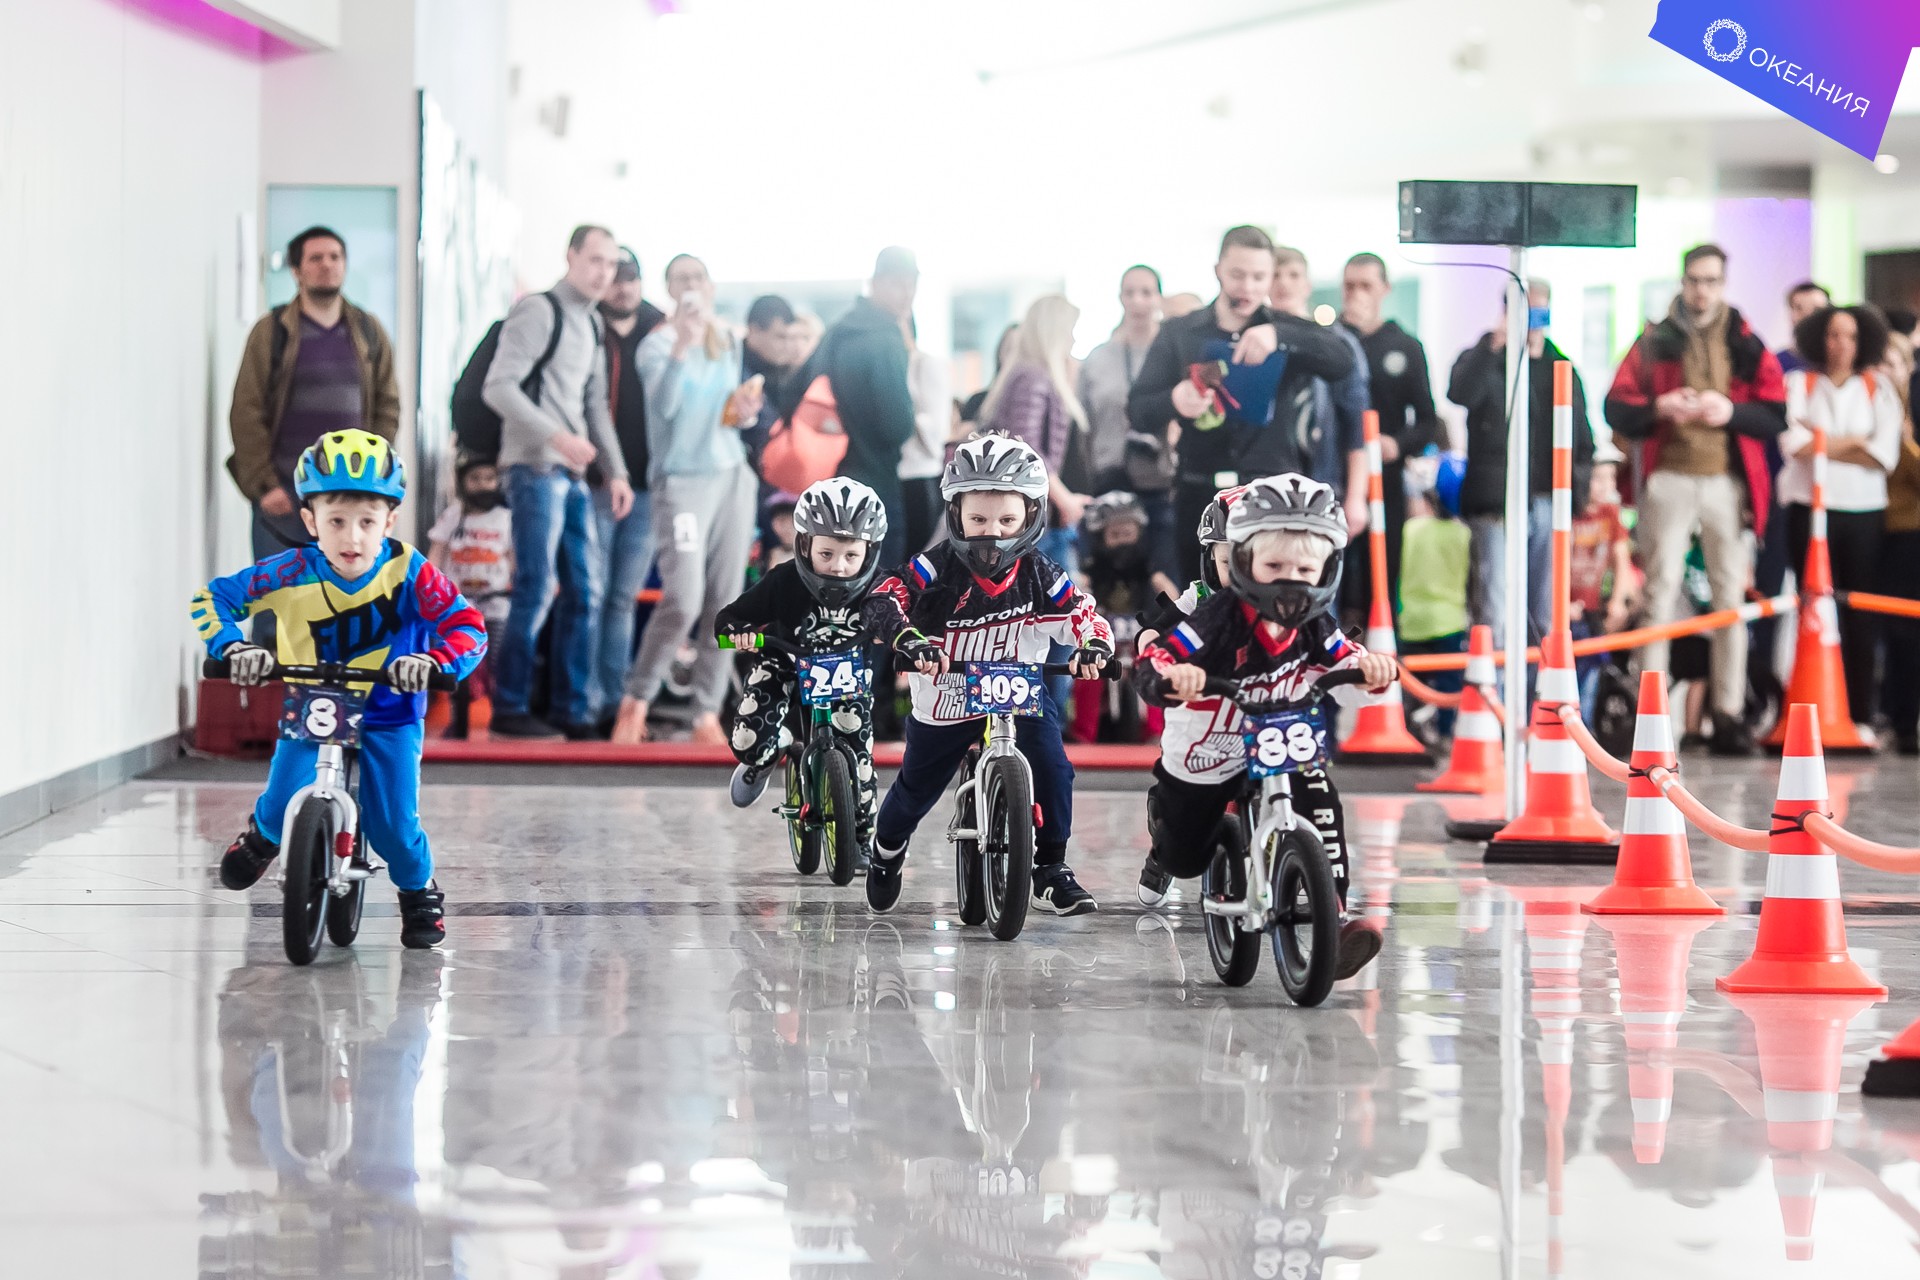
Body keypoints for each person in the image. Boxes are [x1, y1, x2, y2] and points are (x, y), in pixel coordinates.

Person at [195, 429, 487, 949]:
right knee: (281, 800)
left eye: (367, 522)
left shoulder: (409, 572)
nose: (352, 538)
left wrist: (434, 660)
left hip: (389, 711)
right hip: (314, 704)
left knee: (394, 825)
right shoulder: (290, 571)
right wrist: (233, 647)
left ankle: (417, 890)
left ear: (389, 522)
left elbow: (467, 626)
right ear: (310, 521)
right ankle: (264, 835)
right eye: (336, 522)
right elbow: (212, 599)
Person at [1132, 473, 1395, 979]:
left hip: (1280, 739)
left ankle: (1335, 916)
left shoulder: (1313, 622)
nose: (1288, 582)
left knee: (1320, 798)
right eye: (1273, 566)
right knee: (1184, 857)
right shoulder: (1217, 617)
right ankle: (1172, 822)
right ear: (1244, 560)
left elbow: (1343, 657)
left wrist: (1370, 670)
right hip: (1208, 750)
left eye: (1304, 569)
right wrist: (1169, 676)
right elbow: (1160, 654)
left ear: (1326, 569)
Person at [859, 436, 1114, 917]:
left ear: (1031, 516)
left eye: (1006, 521)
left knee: (1054, 768)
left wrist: (1094, 646)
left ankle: (1051, 868)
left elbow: (1082, 612)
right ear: (955, 514)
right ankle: (886, 850)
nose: (991, 535)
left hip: (1019, 693)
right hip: (947, 697)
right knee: (916, 789)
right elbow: (884, 596)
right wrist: (908, 639)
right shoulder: (935, 567)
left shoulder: (1040, 572)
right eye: (977, 520)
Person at [1605, 243, 1786, 757]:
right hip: (1668, 477)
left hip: (1726, 482)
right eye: (1694, 280)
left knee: (1730, 599)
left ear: (1722, 284)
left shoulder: (1744, 341)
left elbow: (1775, 413)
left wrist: (1729, 411)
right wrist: (1659, 407)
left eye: (1710, 281)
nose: (1701, 290)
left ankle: (1727, 715)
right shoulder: (1654, 340)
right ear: (1683, 282)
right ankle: (1652, 716)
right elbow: (1615, 406)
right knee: (1659, 595)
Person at [1128, 225, 1357, 589]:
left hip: (1272, 493)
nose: (1247, 287)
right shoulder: (1180, 332)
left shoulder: (1287, 328)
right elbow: (1137, 410)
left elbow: (1343, 362)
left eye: (1259, 277)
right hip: (1199, 491)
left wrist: (1280, 335)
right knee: (1201, 601)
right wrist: (1175, 399)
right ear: (1218, 270)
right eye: (1237, 275)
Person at [482, 224, 634, 739]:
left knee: (585, 593)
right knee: (537, 587)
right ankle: (509, 707)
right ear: (571, 256)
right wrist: (556, 437)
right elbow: (498, 388)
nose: (603, 272)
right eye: (595, 260)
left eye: (611, 264)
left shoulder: (590, 324)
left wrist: (616, 471)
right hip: (533, 468)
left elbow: (594, 407)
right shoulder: (539, 310)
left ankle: (572, 710)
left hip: (571, 475)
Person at [612, 254, 763, 745]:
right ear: (671, 290)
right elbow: (666, 407)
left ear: (711, 286)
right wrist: (682, 343)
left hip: (731, 476)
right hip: (681, 483)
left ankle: (706, 711)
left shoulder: (726, 340)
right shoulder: (657, 345)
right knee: (683, 598)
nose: (692, 286)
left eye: (698, 277)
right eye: (682, 279)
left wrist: (743, 411)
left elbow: (726, 416)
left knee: (727, 600)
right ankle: (637, 697)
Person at [228, 226, 402, 620]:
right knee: (277, 611)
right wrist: (264, 485)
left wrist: (375, 475)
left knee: (346, 613)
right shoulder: (272, 332)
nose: (327, 265)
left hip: (349, 499)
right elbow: (246, 410)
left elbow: (388, 406)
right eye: (316, 258)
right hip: (283, 500)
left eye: (335, 257)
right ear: (296, 270)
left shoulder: (368, 332)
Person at [717, 478, 891, 859]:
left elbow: (906, 619)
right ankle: (771, 750)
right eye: (826, 553)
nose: (838, 566)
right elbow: (729, 617)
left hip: (845, 675)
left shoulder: (879, 588)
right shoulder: (785, 581)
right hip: (783, 662)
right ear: (805, 545)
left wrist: (900, 636)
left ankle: (862, 837)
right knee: (747, 741)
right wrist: (738, 633)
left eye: (851, 556)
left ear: (869, 552)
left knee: (861, 764)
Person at [1779, 303, 1903, 741]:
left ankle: (1860, 713)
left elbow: (1882, 454)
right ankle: (1803, 709)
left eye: (1850, 336)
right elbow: (1793, 444)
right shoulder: (1799, 383)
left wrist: (1822, 441)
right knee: (1810, 607)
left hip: (1863, 512)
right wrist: (1853, 442)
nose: (1841, 345)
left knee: (1859, 614)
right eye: (1833, 335)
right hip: (1808, 509)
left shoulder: (1877, 388)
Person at [1449, 280, 1596, 647]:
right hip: (1496, 502)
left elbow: (1583, 439)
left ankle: (1540, 681)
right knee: (1495, 606)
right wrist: (1494, 344)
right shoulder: (1487, 359)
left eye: (1538, 310)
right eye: (1523, 310)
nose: (1531, 319)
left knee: (1544, 609)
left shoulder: (1562, 367)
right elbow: (1460, 394)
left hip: (1547, 500)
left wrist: (1575, 496)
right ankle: (1495, 680)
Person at [795, 247, 920, 566]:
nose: (907, 293)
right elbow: (897, 426)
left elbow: (795, 390)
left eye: (912, 284)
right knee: (879, 581)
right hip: (875, 482)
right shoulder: (885, 337)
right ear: (875, 283)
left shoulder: (839, 330)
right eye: (897, 283)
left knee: (834, 576)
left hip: (826, 480)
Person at [585, 246, 666, 734]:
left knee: (621, 597)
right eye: (614, 276)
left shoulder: (661, 330)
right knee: (590, 595)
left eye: (630, 277)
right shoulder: (585, 324)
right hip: (594, 483)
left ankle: (615, 702)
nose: (622, 287)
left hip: (648, 488)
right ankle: (587, 700)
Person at [1340, 251, 1443, 607]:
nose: (1357, 294)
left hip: (1384, 480)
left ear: (1385, 289)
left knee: (1381, 576)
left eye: (1365, 286)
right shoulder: (1331, 342)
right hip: (1335, 475)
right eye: (1350, 286)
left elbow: (1428, 420)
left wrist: (1396, 444)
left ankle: (1381, 638)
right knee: (1335, 577)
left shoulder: (1405, 346)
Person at [1080, 265, 1180, 599]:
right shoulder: (1098, 360)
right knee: (1112, 587)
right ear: (1120, 297)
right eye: (1130, 292)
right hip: (1110, 478)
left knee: (1164, 582)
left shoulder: (1174, 355)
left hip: (1161, 480)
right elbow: (1085, 427)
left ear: (1159, 297)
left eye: (1146, 292)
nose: (1138, 301)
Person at [981, 294, 1095, 561]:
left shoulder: (1029, 374)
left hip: (1032, 514)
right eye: (1069, 331)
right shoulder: (1033, 378)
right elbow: (1026, 448)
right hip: (1028, 517)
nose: (1073, 340)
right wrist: (1064, 499)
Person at [1270, 246, 1369, 536]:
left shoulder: (1337, 344)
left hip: (1322, 481)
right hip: (1266, 484)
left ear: (1307, 284)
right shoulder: (1253, 338)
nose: (1284, 283)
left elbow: (1356, 424)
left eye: (1293, 275)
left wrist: (1356, 497)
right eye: (1275, 275)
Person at [427, 454, 513, 736]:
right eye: (475, 479)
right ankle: (458, 717)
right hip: (460, 606)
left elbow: (512, 556)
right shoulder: (455, 514)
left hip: (497, 602)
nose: (483, 485)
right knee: (459, 663)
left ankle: (501, 716)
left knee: (499, 662)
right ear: (463, 482)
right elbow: (438, 549)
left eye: (489, 479)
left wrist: (514, 584)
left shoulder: (506, 518)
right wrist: (430, 585)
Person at [1397, 452, 1470, 740]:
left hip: (1412, 622)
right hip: (1449, 623)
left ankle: (1410, 729)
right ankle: (1444, 733)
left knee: (1411, 685)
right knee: (1449, 684)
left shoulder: (1411, 529)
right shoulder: (1463, 535)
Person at [1567, 448, 1638, 720]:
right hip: (1566, 609)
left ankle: (1585, 725)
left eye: (1611, 477)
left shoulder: (1610, 514)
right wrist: (1561, 604)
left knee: (1592, 670)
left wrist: (1618, 601)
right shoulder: (1568, 514)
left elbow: (1622, 560)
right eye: (1598, 477)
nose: (1606, 485)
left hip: (1592, 609)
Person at [900, 317, 951, 556]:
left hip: (921, 474)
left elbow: (937, 433)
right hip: (899, 476)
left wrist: (905, 411)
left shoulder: (926, 364)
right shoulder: (897, 363)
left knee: (920, 557)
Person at [1777, 283, 1833, 375]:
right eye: (1799, 308)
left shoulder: (1843, 362)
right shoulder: (1776, 363)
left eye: (1817, 310)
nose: (1808, 315)